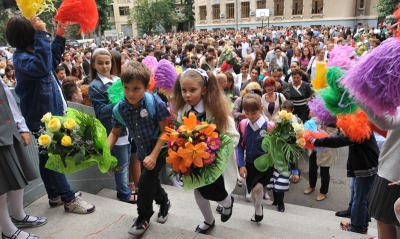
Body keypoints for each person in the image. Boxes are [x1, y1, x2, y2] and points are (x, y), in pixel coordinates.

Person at [7, 16, 94, 214]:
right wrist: (41, 34)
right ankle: (69, 199)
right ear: (29, 35)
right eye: (35, 30)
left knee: (47, 157)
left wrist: (60, 34)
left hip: (50, 115)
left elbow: (52, 60)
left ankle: (54, 195)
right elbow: (42, 66)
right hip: (41, 118)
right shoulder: (21, 59)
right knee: (56, 157)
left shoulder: (34, 54)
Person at [172, 69, 239, 234]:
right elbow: (180, 131)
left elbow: (233, 136)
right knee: (199, 194)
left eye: (192, 90)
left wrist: (214, 149)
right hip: (193, 163)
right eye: (184, 90)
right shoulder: (183, 110)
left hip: (214, 163)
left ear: (204, 89)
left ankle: (227, 202)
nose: (187, 95)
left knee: (215, 191)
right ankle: (209, 220)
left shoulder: (217, 111)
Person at [109, 61, 171, 236]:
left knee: (143, 183)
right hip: (144, 153)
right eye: (127, 87)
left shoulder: (155, 103)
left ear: (146, 87)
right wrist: (104, 152)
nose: (130, 93)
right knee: (151, 182)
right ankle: (164, 202)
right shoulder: (120, 109)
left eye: (136, 88)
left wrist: (153, 155)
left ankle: (143, 217)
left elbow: (165, 131)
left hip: (160, 150)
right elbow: (114, 133)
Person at [309, 128, 379, 234]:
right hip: (363, 166)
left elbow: (341, 140)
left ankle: (358, 229)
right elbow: (342, 138)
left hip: (366, 168)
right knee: (359, 198)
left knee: (360, 201)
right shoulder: (361, 121)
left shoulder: (360, 126)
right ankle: (360, 225)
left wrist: (316, 141)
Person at [0, 79, 46, 239]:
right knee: (1, 186)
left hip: (8, 128)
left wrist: (21, 126)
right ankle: (8, 230)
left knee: (16, 176)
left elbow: (6, 97)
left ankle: (18, 216)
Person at [88, 49, 135, 204]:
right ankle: (123, 194)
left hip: (128, 129)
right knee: (121, 165)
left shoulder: (117, 79)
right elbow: (100, 112)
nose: (104, 66)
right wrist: (119, 101)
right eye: (100, 63)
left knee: (126, 160)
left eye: (107, 62)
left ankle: (126, 189)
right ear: (94, 65)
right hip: (114, 131)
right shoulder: (94, 86)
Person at [357, 104, 400, 238]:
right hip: (391, 170)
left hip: (393, 173)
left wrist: (357, 88)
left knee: (385, 221)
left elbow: (387, 121)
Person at [237, 93, 274, 220]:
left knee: (258, 188)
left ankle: (258, 207)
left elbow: (275, 147)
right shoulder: (242, 124)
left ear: (261, 109)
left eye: (253, 113)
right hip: (249, 164)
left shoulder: (269, 126)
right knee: (253, 189)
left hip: (265, 165)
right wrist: (241, 164)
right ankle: (257, 206)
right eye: (247, 113)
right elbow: (240, 146)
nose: (250, 116)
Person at [304, 121, 339, 201]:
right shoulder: (317, 118)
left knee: (324, 171)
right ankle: (311, 185)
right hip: (314, 148)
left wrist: (318, 131)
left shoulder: (332, 121)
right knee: (312, 167)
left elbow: (330, 136)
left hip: (325, 150)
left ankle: (323, 191)